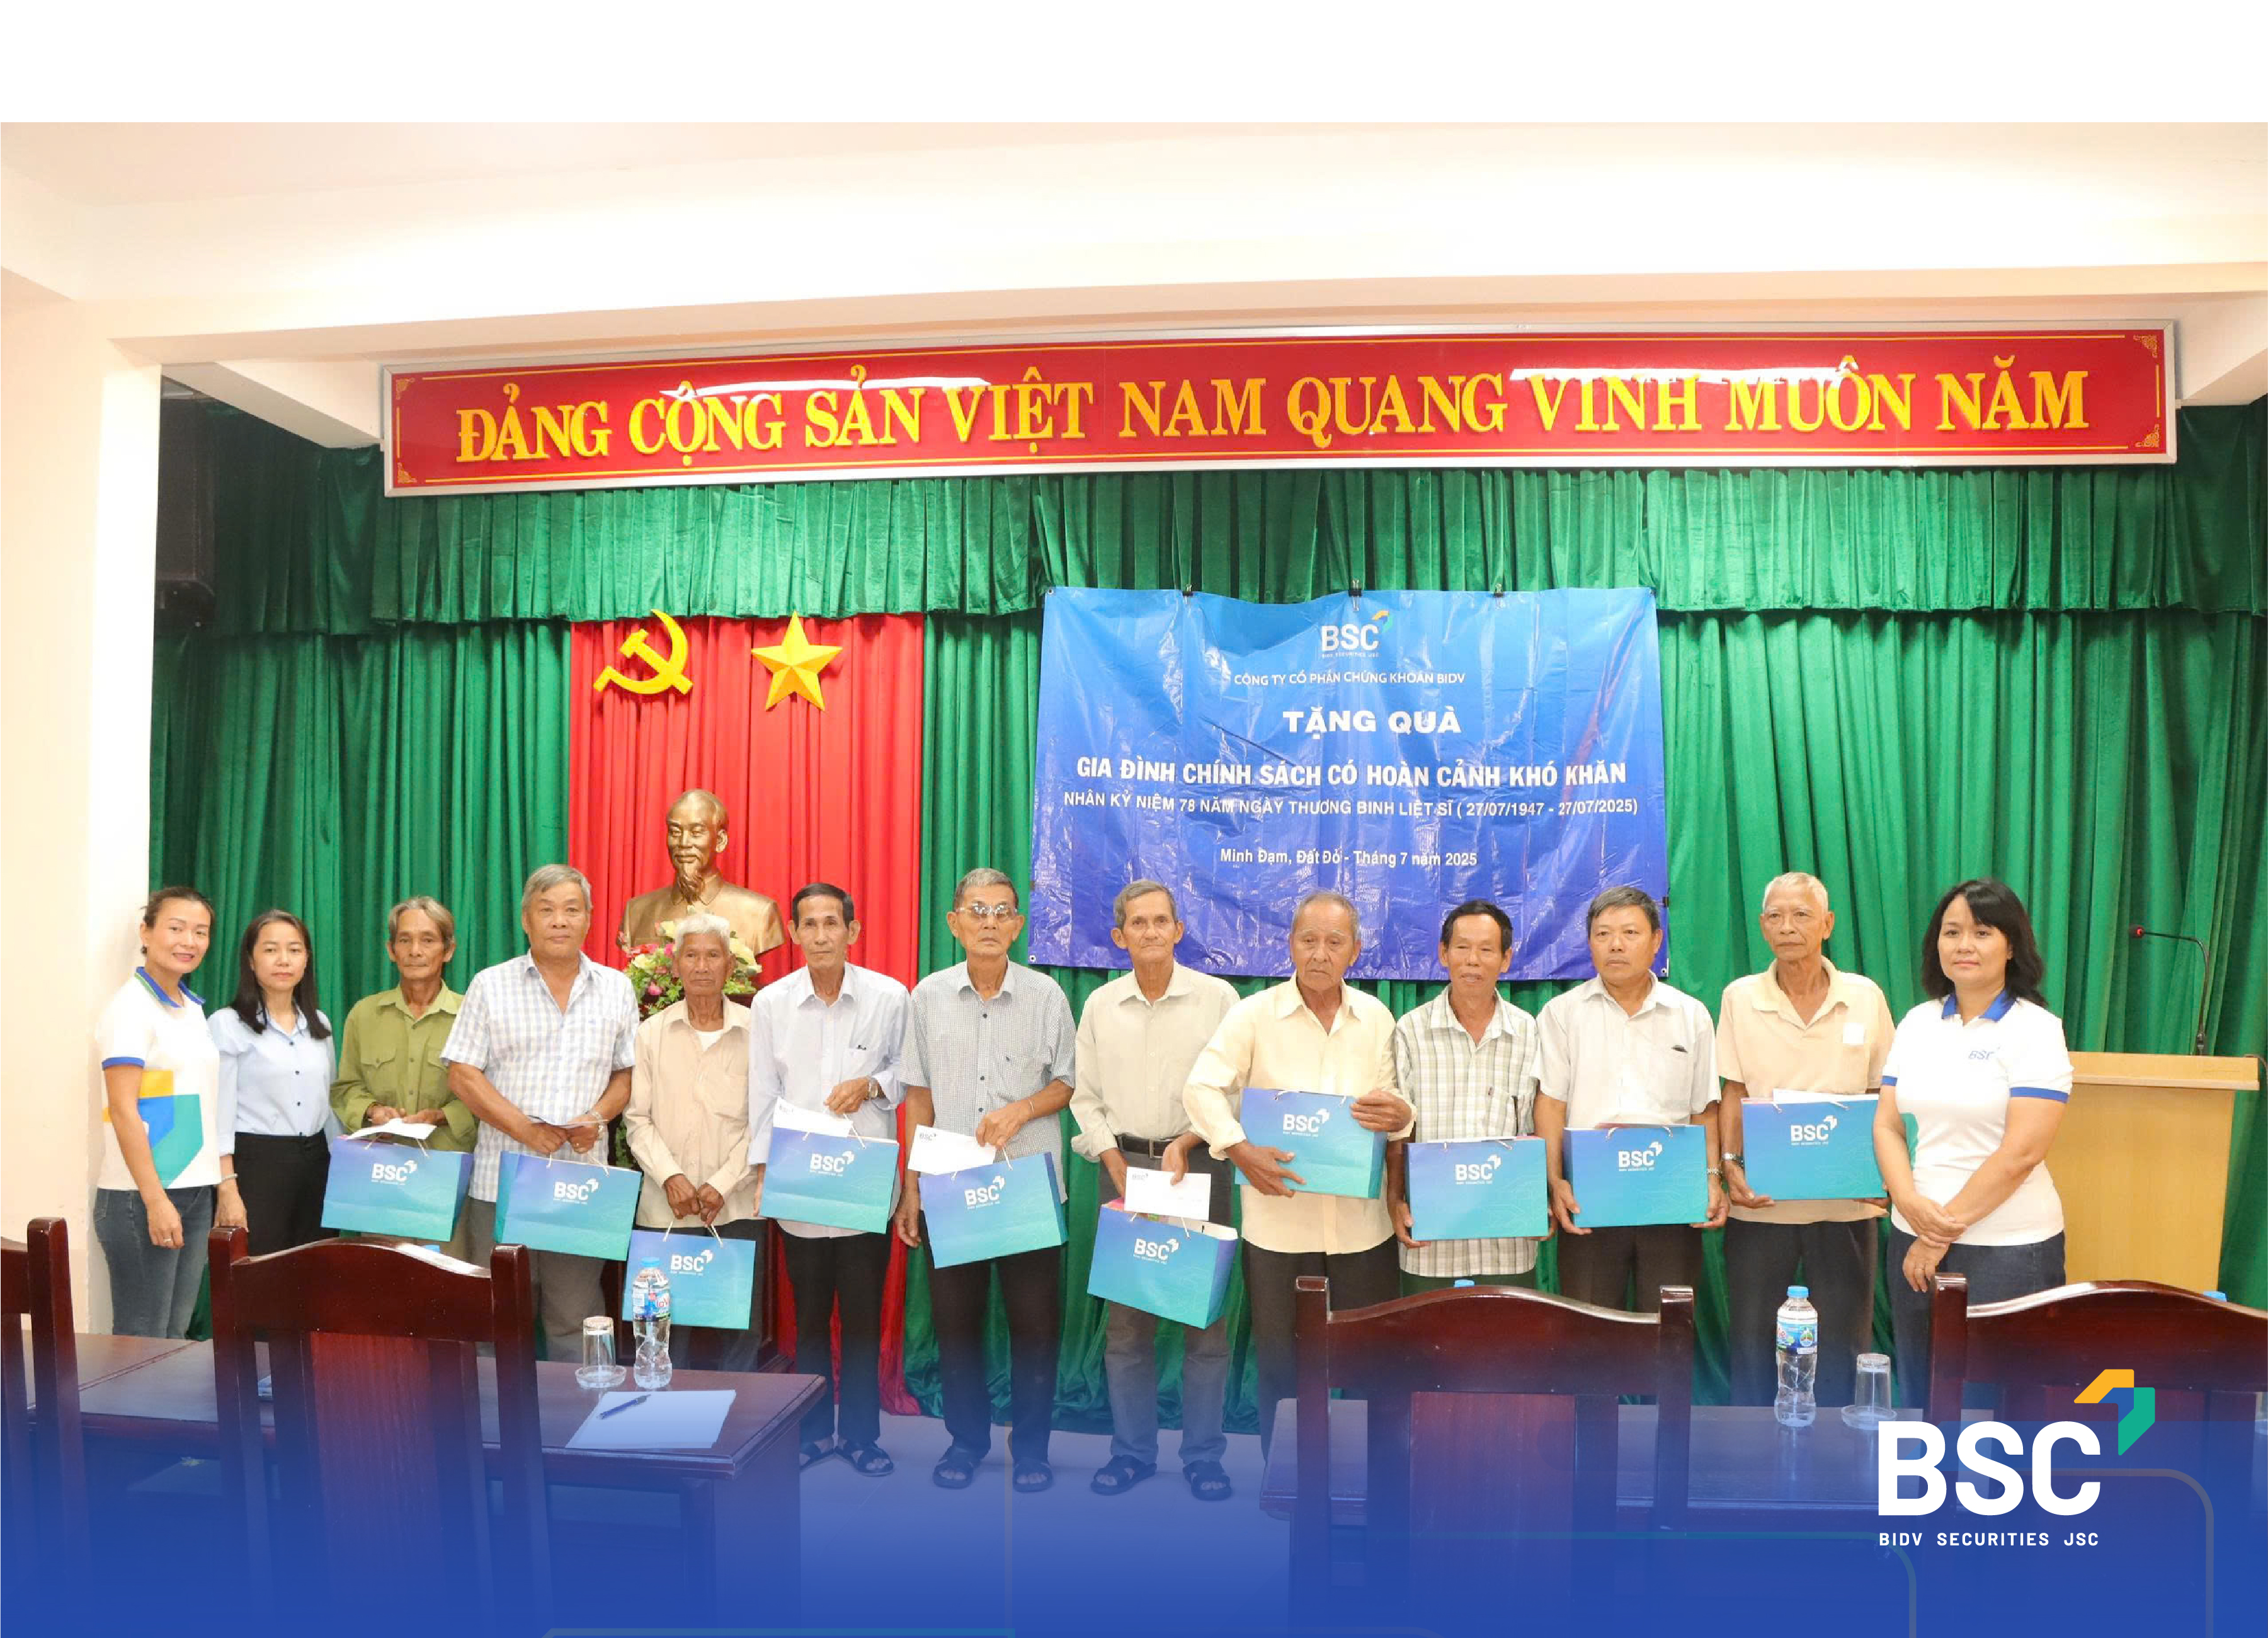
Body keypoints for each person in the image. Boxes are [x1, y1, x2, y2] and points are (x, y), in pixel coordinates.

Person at [1181, 890, 1413, 1457]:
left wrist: (1402, 1116)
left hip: (1361, 1229)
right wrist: (1238, 1149)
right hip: (1278, 1228)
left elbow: (1396, 1104)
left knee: (1369, 1365)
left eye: (1334, 942)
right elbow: (1200, 1087)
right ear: (1290, 944)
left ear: (1355, 950)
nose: (1319, 954)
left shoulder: (1376, 1017)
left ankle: (1370, 1478)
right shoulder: (1253, 1015)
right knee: (1281, 1369)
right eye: (1308, 940)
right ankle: (1285, 1480)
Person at [894, 868, 1076, 1494]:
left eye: (1002, 911)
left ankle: (1032, 1449)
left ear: (1018, 925)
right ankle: (965, 1441)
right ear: (954, 923)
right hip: (951, 1186)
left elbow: (1068, 1082)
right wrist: (912, 1186)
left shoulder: (1046, 995)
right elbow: (918, 1096)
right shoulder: (927, 996)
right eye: (977, 910)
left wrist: (1020, 1110)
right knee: (956, 1325)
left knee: (1035, 1327)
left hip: (1026, 1185)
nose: (989, 922)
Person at [1069, 880, 1240, 1502]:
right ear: (1120, 936)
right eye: (1137, 923)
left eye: (1160, 920)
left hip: (1198, 1165)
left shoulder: (1218, 999)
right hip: (1124, 1168)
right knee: (1126, 1327)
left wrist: (1191, 1139)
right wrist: (1114, 1161)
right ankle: (1132, 1452)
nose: (1149, 931)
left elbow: (1235, 1088)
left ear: (1178, 930)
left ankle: (1203, 1457)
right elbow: (1085, 1098)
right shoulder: (1099, 1005)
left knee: (1205, 1326)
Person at [1876, 878, 2073, 1406]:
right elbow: (1887, 1126)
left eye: (1982, 932)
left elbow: (2022, 1152)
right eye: (1951, 932)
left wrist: (1936, 1235)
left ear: (2010, 946)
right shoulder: (1917, 1022)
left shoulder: (2036, 1029)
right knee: (1923, 1395)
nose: (1964, 945)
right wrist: (1907, 1202)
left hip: (2008, 1246)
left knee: (1999, 1408)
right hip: (1910, 1234)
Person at [1714, 872, 1896, 1408]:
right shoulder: (1740, 997)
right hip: (1761, 1203)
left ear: (1827, 924)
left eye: (1801, 915)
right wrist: (1729, 1165)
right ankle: (1750, 1445)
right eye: (1774, 916)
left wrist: (1881, 1175)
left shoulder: (1864, 997)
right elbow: (1733, 1090)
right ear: (1761, 926)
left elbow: (1882, 1094)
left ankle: (1838, 1445)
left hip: (1846, 1204)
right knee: (1751, 1342)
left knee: (1843, 1342)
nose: (1787, 927)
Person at [443, 865, 639, 1360]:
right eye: (546, 910)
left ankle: (582, 1411)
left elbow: (627, 1074)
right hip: (501, 1185)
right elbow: (462, 1074)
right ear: (525, 920)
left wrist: (597, 1116)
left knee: (577, 1322)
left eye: (572, 910)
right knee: (497, 1323)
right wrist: (525, 1130)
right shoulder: (490, 985)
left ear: (589, 918)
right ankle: (491, 1413)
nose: (559, 921)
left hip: (580, 1187)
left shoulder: (616, 988)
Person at [748, 882, 908, 1475]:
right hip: (800, 1185)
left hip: (864, 1184)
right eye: (809, 925)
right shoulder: (771, 1004)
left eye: (831, 923)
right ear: (793, 933)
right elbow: (762, 1094)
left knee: (863, 1319)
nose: (820, 936)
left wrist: (871, 1084)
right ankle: (814, 1433)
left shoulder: (890, 997)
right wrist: (764, 1174)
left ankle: (862, 1437)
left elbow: (908, 1075)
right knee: (809, 1320)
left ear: (852, 931)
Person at [1536, 885, 1724, 1314]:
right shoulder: (1562, 1014)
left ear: (1657, 941)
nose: (1615, 945)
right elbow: (1550, 1104)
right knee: (1590, 1325)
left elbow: (1703, 1109)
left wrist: (1712, 1178)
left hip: (1671, 1196)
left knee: (1667, 1325)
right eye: (1603, 934)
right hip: (1589, 1197)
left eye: (1630, 933)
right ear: (1589, 943)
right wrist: (1555, 1182)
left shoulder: (1690, 1014)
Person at [623, 914, 762, 1370]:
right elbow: (637, 1119)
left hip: (736, 1208)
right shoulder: (650, 1034)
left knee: (739, 1333)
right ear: (676, 965)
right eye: (692, 955)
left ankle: (741, 1413)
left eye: (713, 955)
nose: (702, 966)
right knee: (662, 1335)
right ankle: (661, 1413)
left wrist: (722, 1183)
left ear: (730, 966)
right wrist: (672, 1177)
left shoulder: (758, 1032)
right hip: (666, 1209)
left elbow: (764, 1121)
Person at [93, 888, 233, 1337]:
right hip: (142, 1196)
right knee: (143, 1339)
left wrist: (220, 1184)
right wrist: (155, 1201)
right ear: (146, 932)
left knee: (174, 1338)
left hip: (192, 1190)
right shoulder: (130, 1009)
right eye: (176, 928)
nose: (189, 941)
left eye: (200, 932)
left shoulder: (190, 1008)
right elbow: (123, 1109)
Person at [1386, 899, 1542, 1293]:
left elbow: (1538, 1127)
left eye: (1487, 949)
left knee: (1508, 1334)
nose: (1473, 960)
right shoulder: (1411, 1031)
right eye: (1462, 947)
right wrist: (1395, 1199)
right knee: (1428, 1334)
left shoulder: (1529, 1032)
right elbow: (1400, 1130)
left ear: (1506, 959)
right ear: (1444, 953)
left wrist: (1540, 1197)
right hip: (1431, 1238)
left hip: (1507, 1239)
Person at [329, 896, 475, 1256]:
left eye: (428, 940)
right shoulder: (364, 1014)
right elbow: (346, 1089)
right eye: (405, 940)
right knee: (382, 1281)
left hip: (447, 1178)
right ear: (391, 950)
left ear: (449, 950)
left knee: (446, 1281)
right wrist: (372, 1111)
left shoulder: (473, 1015)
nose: (415, 951)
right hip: (381, 1175)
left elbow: (491, 1097)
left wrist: (441, 1116)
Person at [210, 909, 337, 1256]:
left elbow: (328, 1105)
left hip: (316, 1163)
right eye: (270, 950)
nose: (284, 960)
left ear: (307, 959)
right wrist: (227, 1186)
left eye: (294, 950)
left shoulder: (320, 1024)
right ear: (251, 961)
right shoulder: (227, 1024)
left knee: (314, 1269)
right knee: (259, 1270)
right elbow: (218, 1113)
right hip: (256, 1164)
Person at [617, 788, 786, 961]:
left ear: (720, 841)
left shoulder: (760, 913)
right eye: (675, 832)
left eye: (696, 833)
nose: (684, 843)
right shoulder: (636, 912)